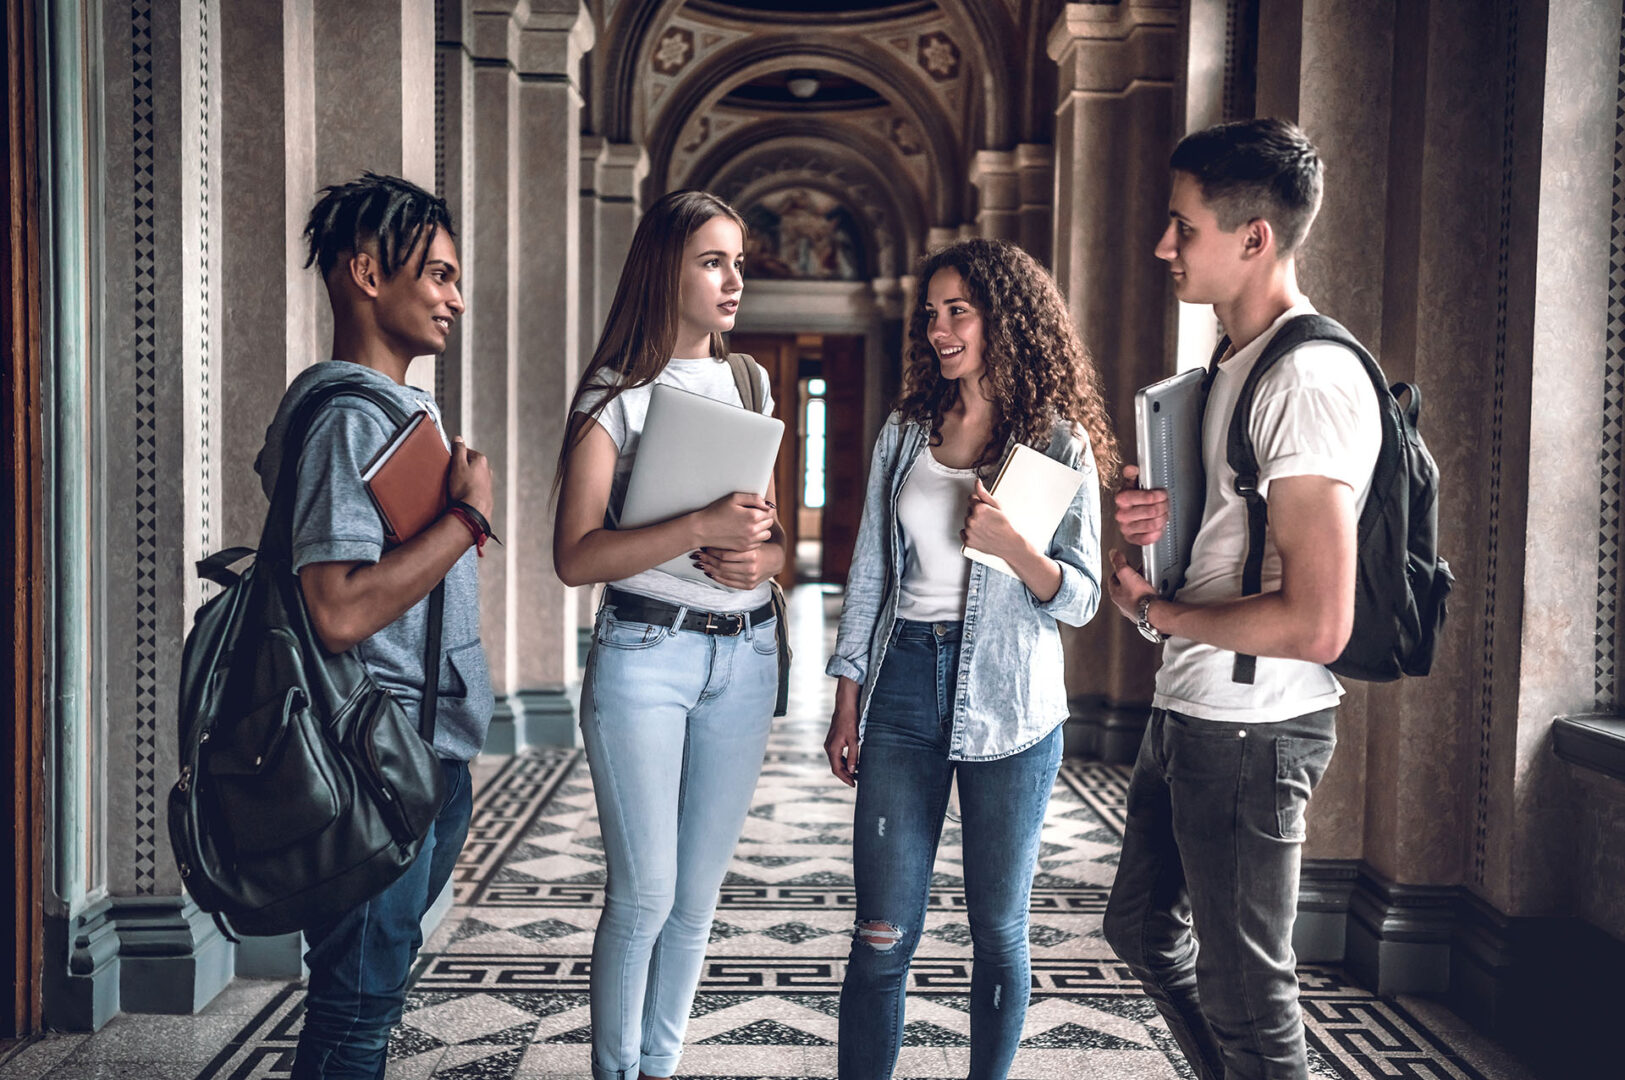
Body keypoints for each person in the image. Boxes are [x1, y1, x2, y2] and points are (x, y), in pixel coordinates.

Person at [1102, 118, 1381, 1079]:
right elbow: (1236, 537)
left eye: (1182, 227)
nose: (1161, 245)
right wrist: (1160, 528)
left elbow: (1317, 622)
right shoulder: (1230, 362)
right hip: (1193, 703)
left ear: (1253, 237)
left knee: (1248, 994)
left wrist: (1154, 612)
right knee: (1140, 928)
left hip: (1253, 725)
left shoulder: (1307, 379)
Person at [823, 238, 1119, 1080]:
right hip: (903, 687)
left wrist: (1017, 548)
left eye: (959, 311)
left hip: (1013, 701)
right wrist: (847, 698)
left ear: (1006, 319)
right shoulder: (906, 428)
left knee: (997, 932)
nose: (940, 329)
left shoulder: (1056, 441)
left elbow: (1083, 597)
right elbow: (871, 571)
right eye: (932, 313)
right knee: (880, 934)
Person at [253, 173, 497, 1078]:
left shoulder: (397, 411)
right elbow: (339, 607)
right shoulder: (349, 422)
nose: (455, 299)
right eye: (436, 275)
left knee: (369, 1001)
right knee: (355, 1015)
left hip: (418, 752)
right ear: (365, 273)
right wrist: (465, 520)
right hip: (375, 759)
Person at [552, 189, 785, 1080]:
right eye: (713, 261)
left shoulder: (751, 382)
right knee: (644, 894)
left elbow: (771, 537)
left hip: (746, 654)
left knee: (695, 900)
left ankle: (660, 1066)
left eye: (738, 261)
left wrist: (762, 562)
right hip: (644, 657)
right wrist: (696, 527)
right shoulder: (615, 392)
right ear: (666, 269)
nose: (734, 280)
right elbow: (575, 556)